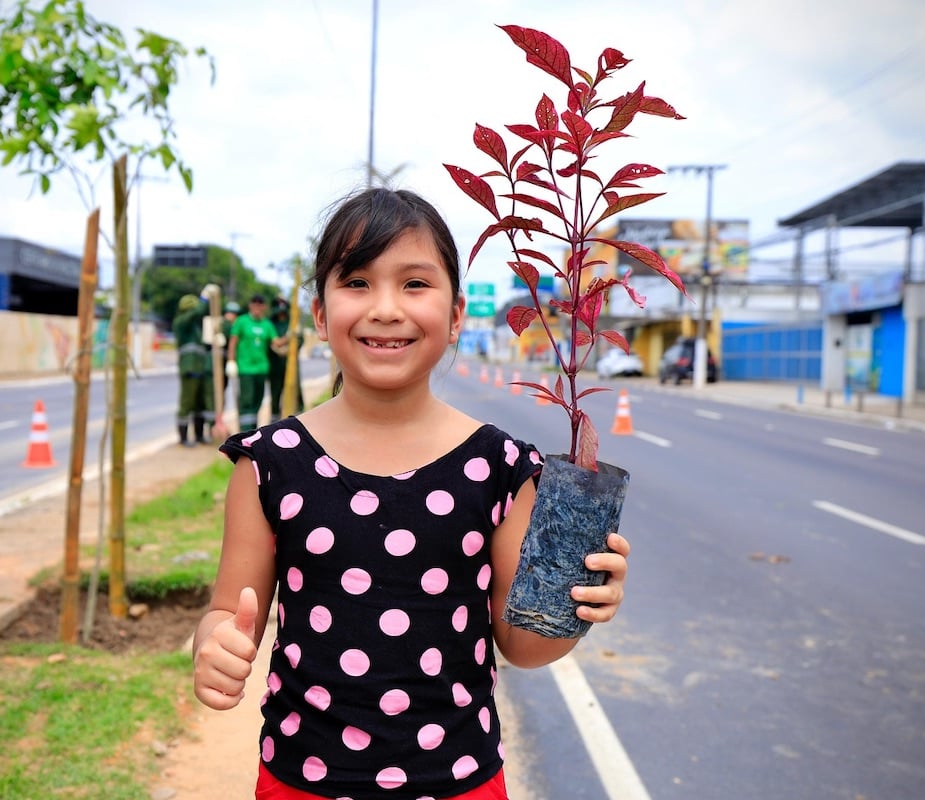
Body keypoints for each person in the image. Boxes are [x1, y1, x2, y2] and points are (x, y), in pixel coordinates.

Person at [192, 188, 631, 799]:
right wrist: (213, 646)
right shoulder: (268, 463)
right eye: (357, 282)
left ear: (456, 317)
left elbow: (523, 646)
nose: (386, 308)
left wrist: (578, 601)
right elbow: (226, 611)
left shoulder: (501, 468)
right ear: (320, 314)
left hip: (459, 782)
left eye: (416, 284)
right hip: (301, 781)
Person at [226, 294, 286, 432]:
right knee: (247, 401)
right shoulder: (242, 321)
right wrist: (231, 360)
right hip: (246, 368)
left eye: (260, 305)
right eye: (255, 304)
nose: (257, 307)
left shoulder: (267, 325)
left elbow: (276, 342)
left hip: (262, 368)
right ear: (250, 306)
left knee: (258, 401)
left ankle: (252, 431)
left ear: (264, 307)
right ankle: (244, 432)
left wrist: (290, 336)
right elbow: (233, 342)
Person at [171, 291, 216, 446]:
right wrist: (204, 298)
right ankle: (183, 438)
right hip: (189, 369)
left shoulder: (196, 328)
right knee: (187, 403)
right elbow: (196, 312)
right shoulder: (181, 322)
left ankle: (199, 435)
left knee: (200, 404)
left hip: (201, 368)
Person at [266, 296, 303, 421]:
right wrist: (276, 348)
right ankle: (274, 420)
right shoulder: (270, 323)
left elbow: (300, 340)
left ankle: (298, 420)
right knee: (275, 394)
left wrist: (291, 348)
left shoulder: (292, 323)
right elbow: (267, 341)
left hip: (290, 364)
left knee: (295, 393)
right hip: (275, 364)